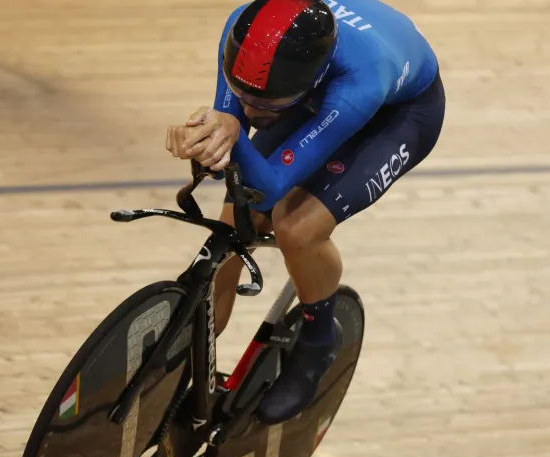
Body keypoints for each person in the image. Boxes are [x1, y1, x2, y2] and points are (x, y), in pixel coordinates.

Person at [165, 0, 446, 424]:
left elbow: (270, 187)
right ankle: (181, 361)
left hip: (396, 117)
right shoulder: (243, 31)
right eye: (243, 94)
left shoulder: (361, 78)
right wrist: (210, 130)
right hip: (308, 95)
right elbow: (232, 116)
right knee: (233, 227)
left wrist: (234, 132)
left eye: (266, 104)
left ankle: (318, 343)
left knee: (295, 226)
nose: (254, 112)